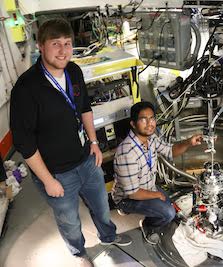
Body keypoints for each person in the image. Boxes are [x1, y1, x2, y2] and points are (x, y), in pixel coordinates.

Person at [10, 19, 131, 267]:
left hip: (86, 159)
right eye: (56, 44)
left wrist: (95, 142)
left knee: (101, 207)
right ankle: (78, 254)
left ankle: (108, 236)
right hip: (57, 173)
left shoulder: (73, 71)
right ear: (41, 46)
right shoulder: (26, 88)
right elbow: (25, 143)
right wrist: (47, 180)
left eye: (67, 44)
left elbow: (84, 108)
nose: (63, 50)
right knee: (69, 221)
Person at [112, 101, 202, 245]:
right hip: (128, 197)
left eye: (152, 118)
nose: (150, 123)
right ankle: (147, 226)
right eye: (143, 119)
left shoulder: (151, 138)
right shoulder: (126, 152)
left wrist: (189, 142)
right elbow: (133, 193)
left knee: (169, 206)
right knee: (168, 213)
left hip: (147, 187)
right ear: (133, 124)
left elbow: (170, 151)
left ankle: (149, 208)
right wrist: (156, 194)